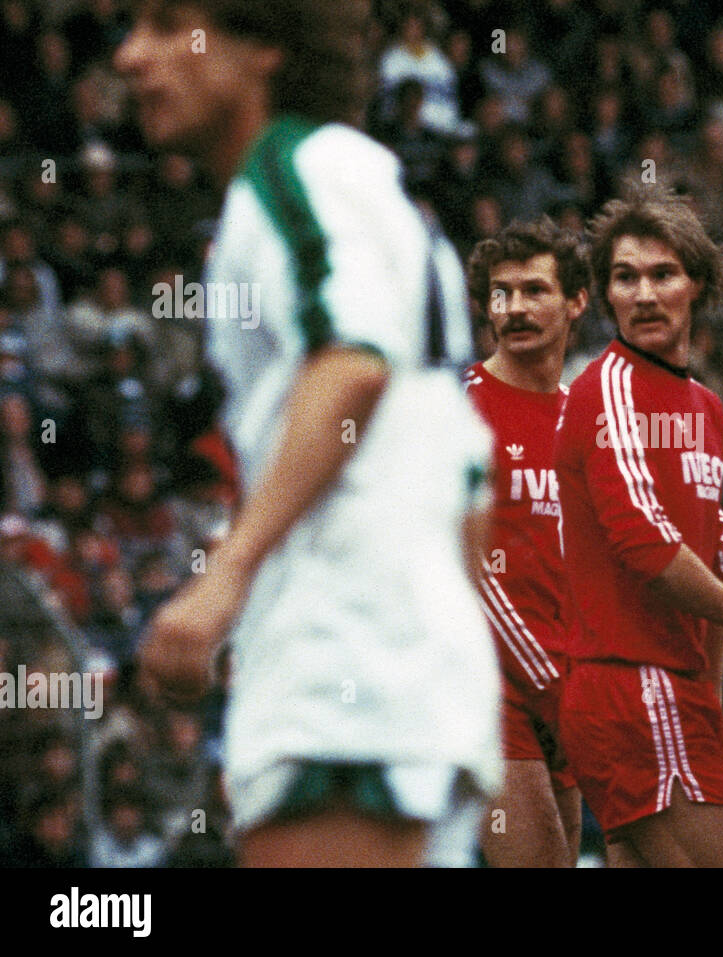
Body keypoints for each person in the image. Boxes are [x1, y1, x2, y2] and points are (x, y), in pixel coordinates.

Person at [117, 0, 501, 867]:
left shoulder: (298, 173)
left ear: (263, 48)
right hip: (398, 668)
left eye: (169, 24)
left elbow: (350, 365)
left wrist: (225, 580)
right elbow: (467, 478)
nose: (133, 56)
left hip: (344, 668)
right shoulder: (363, 190)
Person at [554, 185, 723, 867]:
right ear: (606, 295)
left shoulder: (706, 405)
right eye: (625, 277)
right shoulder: (607, 387)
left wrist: (707, 699)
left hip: (672, 694)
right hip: (630, 683)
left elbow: (713, 552)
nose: (644, 294)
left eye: (662, 274)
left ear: (698, 287)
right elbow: (642, 540)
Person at [464, 218, 588, 866]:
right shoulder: (461, 407)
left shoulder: (584, 416)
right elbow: (463, 566)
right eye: (500, 293)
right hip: (487, 685)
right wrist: (547, 681)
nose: (513, 308)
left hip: (568, 685)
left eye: (534, 290)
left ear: (576, 301)